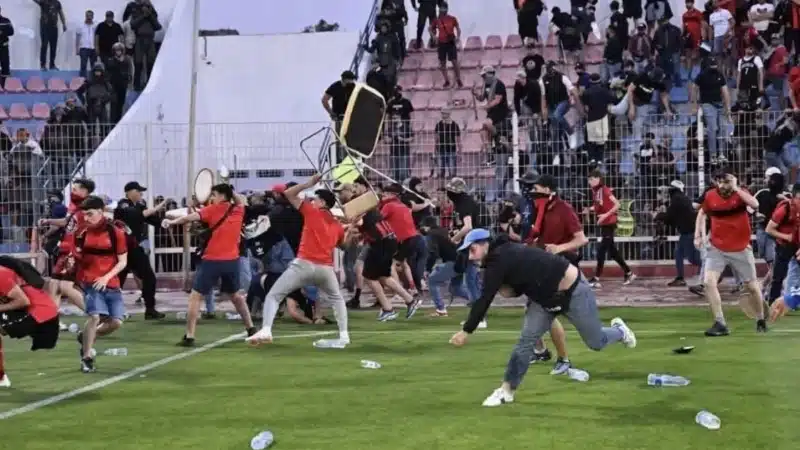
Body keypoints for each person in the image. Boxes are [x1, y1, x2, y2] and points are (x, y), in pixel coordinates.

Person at [449, 229, 636, 407]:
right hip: (543, 300)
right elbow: (518, 285)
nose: (471, 257)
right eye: (468, 253)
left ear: (485, 244)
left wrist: (467, 330)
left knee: (597, 342)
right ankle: (506, 390)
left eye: (472, 250)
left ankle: (619, 331)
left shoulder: (499, 258)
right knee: (525, 342)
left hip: (573, 292)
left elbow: (485, 298)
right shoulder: (500, 257)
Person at [246, 175, 351, 348]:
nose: (312, 200)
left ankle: (266, 330)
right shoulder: (337, 224)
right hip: (325, 268)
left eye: (315, 199)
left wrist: (309, 183)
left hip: (304, 264)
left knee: (274, 295)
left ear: (323, 203)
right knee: (337, 299)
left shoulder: (312, 212)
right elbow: (344, 246)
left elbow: (288, 193)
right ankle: (344, 335)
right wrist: (350, 231)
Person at [162, 183, 256, 346]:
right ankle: (251, 328)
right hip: (232, 261)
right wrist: (230, 192)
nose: (211, 198)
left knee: (195, 296)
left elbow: (187, 219)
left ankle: (190, 335)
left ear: (221, 196)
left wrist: (170, 223)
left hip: (212, 260)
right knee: (235, 296)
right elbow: (240, 200)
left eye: (214, 195)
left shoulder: (212, 210)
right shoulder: (239, 209)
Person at [695, 170, 767, 336]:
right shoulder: (710, 196)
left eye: (726, 181)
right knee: (708, 282)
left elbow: (755, 204)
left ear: (733, 181)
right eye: (719, 181)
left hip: (741, 248)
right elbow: (702, 213)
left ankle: (760, 318)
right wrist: (698, 235)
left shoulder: (741, 194)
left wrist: (736, 189)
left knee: (752, 287)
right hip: (717, 248)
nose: (722, 185)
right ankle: (720, 322)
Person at [337, 182, 417, 320]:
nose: (339, 195)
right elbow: (366, 224)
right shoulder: (362, 203)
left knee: (368, 276)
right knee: (382, 276)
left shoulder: (356, 205)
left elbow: (359, 222)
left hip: (381, 242)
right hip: (386, 241)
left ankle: (388, 308)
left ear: (348, 191)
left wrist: (346, 228)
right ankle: (409, 300)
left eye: (341, 192)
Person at [72, 196, 129, 373]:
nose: (87, 218)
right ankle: (87, 357)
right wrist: (73, 265)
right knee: (95, 316)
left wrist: (106, 278)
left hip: (110, 282)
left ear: (100, 211)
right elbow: (78, 257)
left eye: (90, 214)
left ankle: (85, 336)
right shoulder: (81, 232)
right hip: (90, 282)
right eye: (84, 215)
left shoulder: (115, 232)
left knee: (116, 322)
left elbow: (122, 262)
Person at [114, 181, 167, 319]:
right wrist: (156, 208)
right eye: (138, 191)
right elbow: (137, 215)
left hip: (134, 249)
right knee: (116, 282)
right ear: (129, 192)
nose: (141, 194)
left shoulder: (139, 205)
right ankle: (110, 311)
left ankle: (150, 309)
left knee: (149, 278)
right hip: (121, 250)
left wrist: (166, 222)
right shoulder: (122, 205)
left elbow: (153, 219)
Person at [586, 170, 635, 287]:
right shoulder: (596, 191)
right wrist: (590, 209)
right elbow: (600, 205)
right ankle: (629, 272)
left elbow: (617, 204)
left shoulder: (604, 190)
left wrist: (605, 215)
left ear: (598, 179)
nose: (590, 182)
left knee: (602, 251)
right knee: (612, 252)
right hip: (606, 223)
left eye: (592, 179)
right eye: (589, 180)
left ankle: (596, 277)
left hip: (609, 223)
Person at [381, 183, 426, 308]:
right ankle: (412, 288)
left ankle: (398, 293)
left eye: (384, 194)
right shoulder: (403, 205)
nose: (382, 196)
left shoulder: (389, 205)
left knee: (391, 265)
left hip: (403, 239)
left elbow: (378, 220)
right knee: (404, 263)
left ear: (391, 195)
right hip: (413, 238)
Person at [653, 180, 700, 286]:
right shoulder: (681, 198)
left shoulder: (677, 199)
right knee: (678, 253)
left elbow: (670, 217)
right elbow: (673, 217)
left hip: (688, 232)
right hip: (688, 231)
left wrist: (658, 216)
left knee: (692, 258)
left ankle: (711, 271)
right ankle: (680, 277)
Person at [429, 2, 462, 88]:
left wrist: (458, 37)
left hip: (451, 42)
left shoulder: (452, 18)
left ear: (447, 9)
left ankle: (458, 79)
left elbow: (458, 28)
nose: (442, 10)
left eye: (444, 8)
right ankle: (446, 80)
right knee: (442, 63)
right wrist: (434, 37)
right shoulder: (437, 20)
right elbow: (430, 29)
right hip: (441, 43)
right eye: (441, 8)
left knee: (454, 61)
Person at [34, 0, 66, 71]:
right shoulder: (43, 2)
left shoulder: (57, 3)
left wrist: (64, 23)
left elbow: (61, 13)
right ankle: (42, 65)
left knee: (53, 47)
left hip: (54, 27)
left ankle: (52, 65)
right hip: (44, 27)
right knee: (44, 45)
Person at [0, 7, 14, 89]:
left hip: (4, 48)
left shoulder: (6, 20)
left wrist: (1, 32)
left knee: (5, 67)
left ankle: (4, 87)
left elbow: (11, 32)